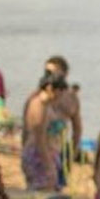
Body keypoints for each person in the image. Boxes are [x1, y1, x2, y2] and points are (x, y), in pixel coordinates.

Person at [44, 56, 82, 186]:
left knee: (58, 187)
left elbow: (77, 128)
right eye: (48, 72)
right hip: (42, 147)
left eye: (54, 72)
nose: (51, 75)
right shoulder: (41, 94)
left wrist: (73, 151)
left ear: (65, 73)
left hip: (60, 148)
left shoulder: (71, 98)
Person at [20, 75, 61, 191]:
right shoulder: (39, 105)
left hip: (40, 152)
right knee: (43, 192)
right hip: (38, 154)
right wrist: (48, 163)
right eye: (59, 91)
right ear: (50, 89)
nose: (60, 96)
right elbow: (39, 137)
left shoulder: (45, 104)